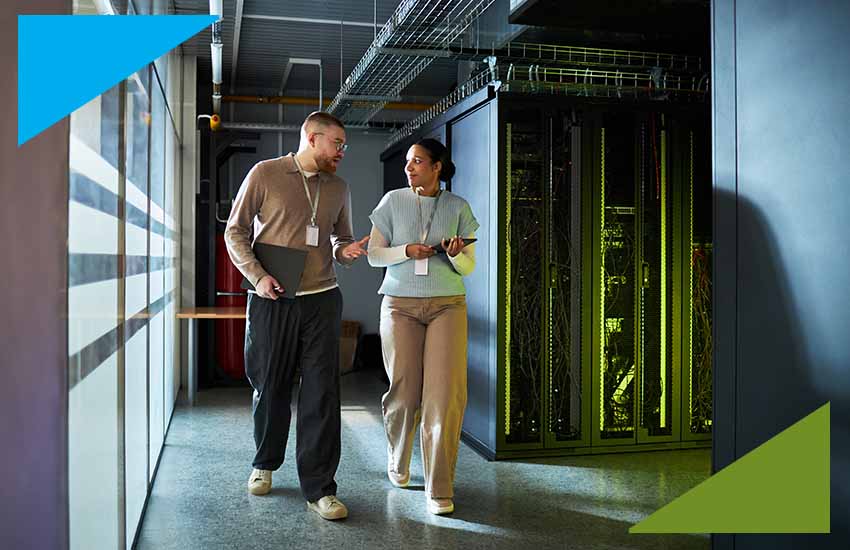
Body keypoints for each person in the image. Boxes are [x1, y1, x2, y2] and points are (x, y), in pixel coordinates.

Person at [224, 111, 369, 521]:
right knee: (269, 386)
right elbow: (234, 231)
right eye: (337, 143)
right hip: (272, 298)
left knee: (322, 393)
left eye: (344, 145)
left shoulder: (339, 187)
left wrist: (347, 251)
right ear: (311, 137)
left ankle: (320, 488)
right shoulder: (265, 173)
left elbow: (339, 238)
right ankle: (265, 463)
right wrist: (258, 276)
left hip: (323, 299)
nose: (342, 151)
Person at [366, 138, 478, 515]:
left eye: (417, 161)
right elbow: (374, 256)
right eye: (408, 162)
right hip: (399, 306)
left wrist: (455, 253)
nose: (409, 167)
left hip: (448, 304)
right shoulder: (392, 202)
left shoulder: (458, 207)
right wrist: (407, 251)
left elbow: (468, 268)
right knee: (405, 393)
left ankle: (439, 486)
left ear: (437, 167)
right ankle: (398, 457)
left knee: (444, 397)